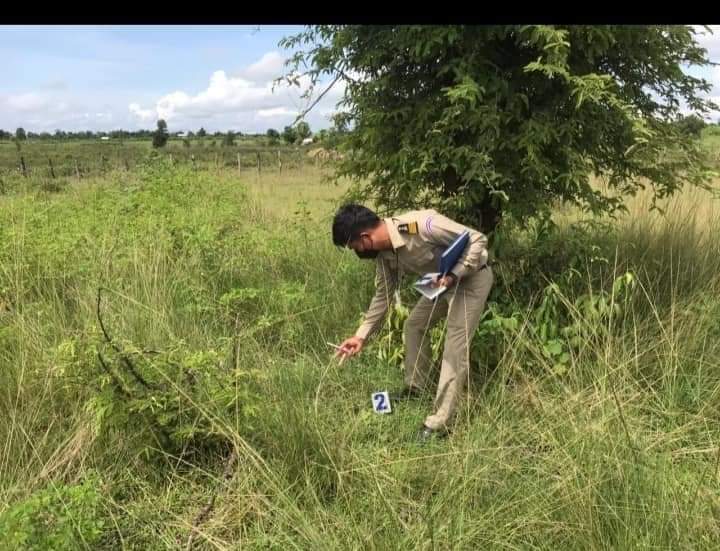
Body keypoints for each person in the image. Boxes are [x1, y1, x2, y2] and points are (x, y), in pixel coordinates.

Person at [331, 204, 493, 441]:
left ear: (365, 238)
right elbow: (383, 296)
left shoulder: (422, 225)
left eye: (354, 246)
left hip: (470, 278)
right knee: (414, 326)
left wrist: (453, 275)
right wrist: (360, 336)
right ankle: (416, 388)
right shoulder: (385, 255)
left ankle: (439, 423)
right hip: (441, 283)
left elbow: (478, 239)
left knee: (455, 346)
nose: (357, 252)